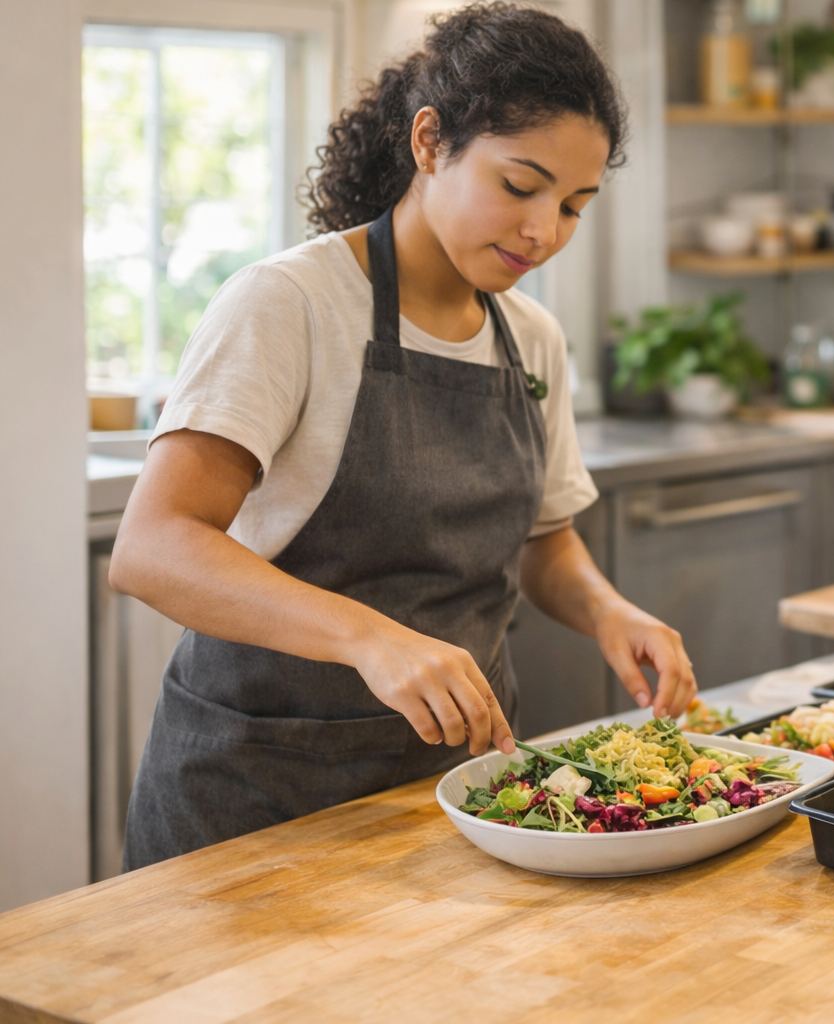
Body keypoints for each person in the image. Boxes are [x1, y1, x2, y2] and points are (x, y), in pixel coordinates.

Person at [110, 2, 696, 870]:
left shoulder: (530, 337)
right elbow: (153, 548)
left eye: (575, 205)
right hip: (259, 800)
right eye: (520, 185)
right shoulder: (291, 304)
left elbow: (543, 541)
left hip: (459, 796)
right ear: (429, 143)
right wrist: (370, 637)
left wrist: (608, 612)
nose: (545, 231)